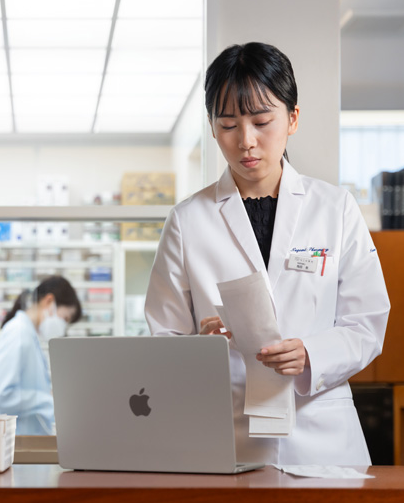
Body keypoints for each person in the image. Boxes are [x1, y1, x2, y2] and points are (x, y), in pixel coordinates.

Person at [144, 42, 390, 466]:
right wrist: (201, 350)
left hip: (322, 436)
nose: (246, 141)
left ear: (292, 118)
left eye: (261, 121)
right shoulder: (187, 221)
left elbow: (366, 323)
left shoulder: (335, 208)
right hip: (227, 435)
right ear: (212, 126)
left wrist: (310, 354)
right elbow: (162, 338)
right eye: (227, 125)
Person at [0, 276, 82, 435]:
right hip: (14, 446)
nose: (63, 326)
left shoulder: (29, 335)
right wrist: (48, 400)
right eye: (65, 318)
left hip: (25, 442)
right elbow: (3, 395)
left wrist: (49, 395)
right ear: (49, 301)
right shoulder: (17, 332)